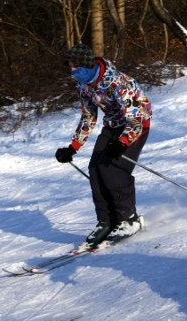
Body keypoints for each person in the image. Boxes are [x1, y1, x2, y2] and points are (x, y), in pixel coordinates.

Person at [55, 44, 152, 249]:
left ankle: (129, 219)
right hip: (112, 125)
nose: (72, 71)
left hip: (136, 123)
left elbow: (134, 117)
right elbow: (89, 116)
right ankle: (106, 222)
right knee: (95, 168)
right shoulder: (84, 86)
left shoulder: (116, 82)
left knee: (113, 167)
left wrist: (123, 143)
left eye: (75, 67)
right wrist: (73, 147)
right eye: (70, 67)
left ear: (87, 65)